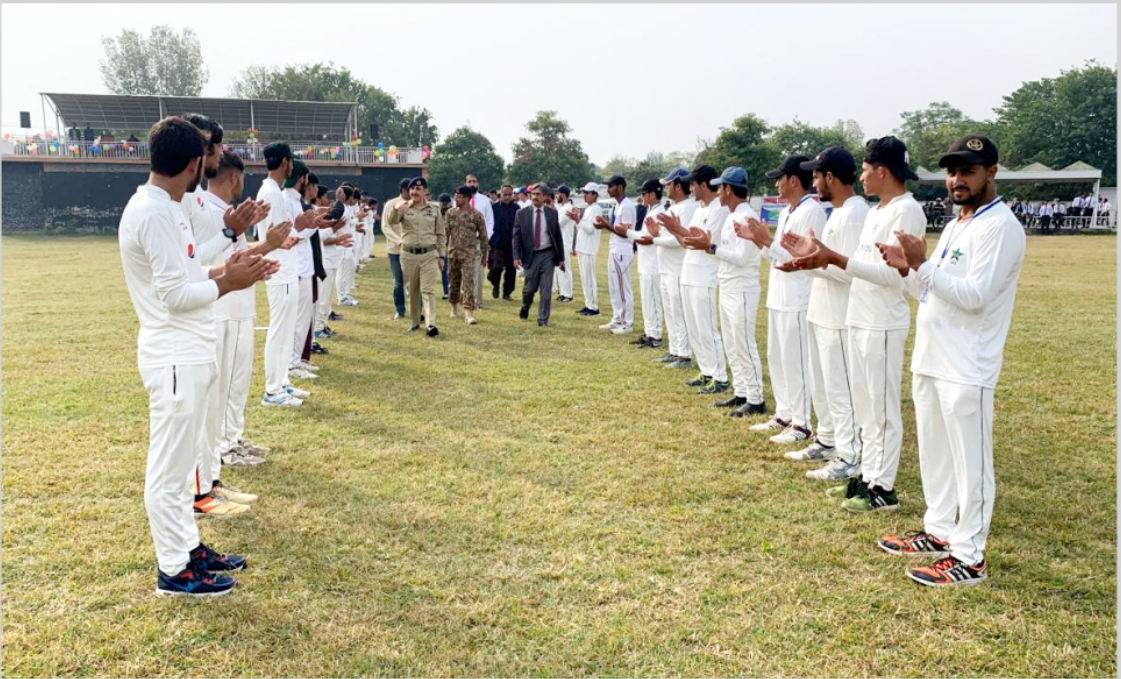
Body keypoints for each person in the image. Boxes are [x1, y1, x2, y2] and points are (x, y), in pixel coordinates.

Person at [118, 116, 269, 597]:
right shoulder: (153, 213)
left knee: (183, 467)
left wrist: (225, 268)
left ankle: (187, 548)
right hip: (173, 354)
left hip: (187, 351)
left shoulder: (165, 208)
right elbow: (174, 296)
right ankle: (173, 569)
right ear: (192, 165)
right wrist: (228, 283)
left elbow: (187, 274)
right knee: (169, 469)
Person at [876, 135, 1025, 587]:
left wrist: (923, 266)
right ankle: (938, 530)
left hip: (967, 364)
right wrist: (907, 269)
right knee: (936, 453)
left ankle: (970, 556)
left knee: (971, 463)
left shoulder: (1000, 226)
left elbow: (976, 297)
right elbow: (929, 291)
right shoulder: (959, 223)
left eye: (968, 171)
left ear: (991, 172)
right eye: (952, 171)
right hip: (933, 356)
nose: (957, 180)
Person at [781, 136, 926, 514]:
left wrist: (833, 259)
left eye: (865, 170)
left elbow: (894, 276)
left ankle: (883, 489)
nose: (861, 177)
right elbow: (860, 266)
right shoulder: (878, 211)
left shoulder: (906, 211)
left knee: (882, 410)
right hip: (860, 316)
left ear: (882, 171)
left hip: (883, 320)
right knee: (866, 408)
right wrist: (819, 258)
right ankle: (868, 477)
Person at [778, 148, 867, 482]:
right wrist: (807, 260)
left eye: (816, 176)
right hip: (822, 310)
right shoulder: (840, 212)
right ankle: (828, 440)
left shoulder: (854, 214)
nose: (813, 182)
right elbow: (829, 263)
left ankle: (849, 455)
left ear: (830, 177)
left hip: (839, 315)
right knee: (825, 385)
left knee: (841, 389)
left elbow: (851, 272)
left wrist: (813, 261)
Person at [739, 156, 825, 444]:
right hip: (779, 294)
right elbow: (776, 256)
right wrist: (757, 239)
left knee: (796, 360)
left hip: (798, 296)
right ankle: (784, 414)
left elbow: (803, 258)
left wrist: (767, 240)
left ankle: (802, 423)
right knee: (777, 357)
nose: (776, 184)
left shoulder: (812, 211)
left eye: (780, 178)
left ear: (793, 180)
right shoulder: (788, 211)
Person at [683, 167, 766, 414]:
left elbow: (742, 258)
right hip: (728, 284)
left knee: (744, 344)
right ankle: (741, 392)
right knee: (731, 344)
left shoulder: (746, 217)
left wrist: (711, 248)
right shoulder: (732, 216)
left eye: (719, 187)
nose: (717, 191)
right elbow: (724, 253)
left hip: (742, 288)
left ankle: (756, 398)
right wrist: (709, 246)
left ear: (728, 189)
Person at [655, 165, 730, 394]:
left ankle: (720, 377)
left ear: (703, 185)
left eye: (693, 184)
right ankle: (707, 370)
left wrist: (678, 228)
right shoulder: (700, 209)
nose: (691, 188)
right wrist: (675, 230)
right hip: (689, 273)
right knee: (696, 328)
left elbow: (703, 243)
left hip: (704, 275)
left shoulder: (719, 210)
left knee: (707, 328)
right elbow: (687, 243)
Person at [257, 142, 313, 407]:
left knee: (286, 328)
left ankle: (281, 382)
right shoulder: (270, 192)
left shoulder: (274, 192)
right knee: (279, 330)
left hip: (286, 268)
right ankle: (272, 390)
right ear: (285, 163)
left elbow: (282, 235)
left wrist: (296, 229)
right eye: (290, 161)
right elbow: (275, 238)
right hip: (279, 270)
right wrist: (297, 229)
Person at [648, 168, 696, 369]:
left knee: (679, 313)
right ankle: (675, 349)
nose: (665, 188)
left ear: (678, 185)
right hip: (666, 268)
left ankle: (684, 355)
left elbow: (680, 240)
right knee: (670, 312)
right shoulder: (672, 208)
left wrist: (654, 239)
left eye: (668, 184)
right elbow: (664, 235)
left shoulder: (687, 208)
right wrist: (655, 235)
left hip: (677, 268)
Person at [386, 177, 446, 336]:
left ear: (425, 191)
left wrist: (441, 256)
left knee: (428, 290)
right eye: (412, 189)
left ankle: (431, 324)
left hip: (429, 255)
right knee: (413, 290)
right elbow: (391, 221)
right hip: (408, 255)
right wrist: (396, 210)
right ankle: (415, 322)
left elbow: (441, 234)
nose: (414, 192)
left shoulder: (434, 209)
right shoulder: (404, 207)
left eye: (418, 189)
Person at [511, 183, 566, 326]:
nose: (535, 197)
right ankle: (526, 305)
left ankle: (543, 320)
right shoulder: (521, 214)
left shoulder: (552, 213)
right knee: (529, 289)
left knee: (546, 290)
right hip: (531, 255)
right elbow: (516, 237)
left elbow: (557, 236)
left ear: (545, 196)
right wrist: (516, 256)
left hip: (548, 254)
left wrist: (561, 258)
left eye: (538, 194)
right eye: (533, 194)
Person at [596, 175, 637, 334]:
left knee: (623, 288)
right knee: (614, 287)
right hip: (615, 248)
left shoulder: (626, 206)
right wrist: (604, 225)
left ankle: (627, 323)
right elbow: (616, 229)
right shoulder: (618, 205)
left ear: (620, 187)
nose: (608, 189)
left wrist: (607, 225)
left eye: (611, 186)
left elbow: (626, 233)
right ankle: (617, 319)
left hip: (622, 250)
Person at [627, 179, 665, 348]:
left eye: (644, 193)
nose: (642, 197)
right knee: (647, 300)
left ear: (652, 194)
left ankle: (655, 335)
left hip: (653, 263)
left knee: (653, 301)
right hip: (646, 262)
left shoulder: (657, 213)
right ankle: (649, 331)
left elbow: (646, 238)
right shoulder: (651, 211)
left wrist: (627, 232)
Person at [445, 186, 488, 325]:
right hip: (453, 254)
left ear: (467, 198)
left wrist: (485, 254)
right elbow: (445, 234)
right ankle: (454, 307)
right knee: (454, 282)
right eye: (455, 196)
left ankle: (469, 313)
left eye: (459, 197)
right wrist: (441, 252)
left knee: (469, 283)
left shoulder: (476, 215)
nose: (456, 199)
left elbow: (483, 236)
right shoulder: (450, 213)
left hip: (470, 254)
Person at [572, 182, 604, 317]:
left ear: (594, 195)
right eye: (584, 192)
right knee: (585, 279)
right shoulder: (589, 208)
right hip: (583, 247)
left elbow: (591, 229)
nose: (584, 195)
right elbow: (582, 227)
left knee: (589, 279)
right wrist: (577, 220)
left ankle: (593, 307)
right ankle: (588, 304)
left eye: (587, 193)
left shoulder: (596, 209)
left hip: (589, 248)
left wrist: (578, 220)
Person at [382, 179, 411, 319]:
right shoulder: (391, 204)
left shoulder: (416, 204)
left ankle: (418, 311)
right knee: (398, 281)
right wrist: (398, 241)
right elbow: (385, 226)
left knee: (415, 282)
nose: (412, 193)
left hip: (412, 250)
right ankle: (400, 310)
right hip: (395, 250)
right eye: (409, 190)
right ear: (403, 190)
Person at [466, 173, 494, 309]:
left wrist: (485, 239)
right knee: (464, 272)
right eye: (469, 181)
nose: (472, 184)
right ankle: (466, 299)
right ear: (465, 183)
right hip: (463, 241)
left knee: (478, 272)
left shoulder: (485, 201)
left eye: (474, 181)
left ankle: (477, 302)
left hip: (479, 241)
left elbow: (490, 221)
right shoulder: (459, 199)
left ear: (478, 184)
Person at [489, 184, 519, 301]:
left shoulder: (516, 208)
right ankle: (495, 284)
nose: (507, 197)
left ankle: (507, 293)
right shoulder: (493, 208)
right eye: (504, 194)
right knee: (496, 268)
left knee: (511, 270)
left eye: (509, 195)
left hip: (512, 243)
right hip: (497, 243)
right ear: (500, 194)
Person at [553, 185, 577, 304]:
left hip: (565, 243)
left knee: (566, 269)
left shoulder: (569, 208)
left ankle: (569, 294)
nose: (556, 196)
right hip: (559, 243)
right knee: (559, 269)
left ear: (562, 194)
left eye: (558, 194)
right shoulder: (561, 208)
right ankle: (563, 292)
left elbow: (559, 224)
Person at [437, 193, 453, 299]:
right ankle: (446, 291)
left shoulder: (453, 213)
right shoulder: (437, 214)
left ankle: (451, 290)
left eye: (446, 203)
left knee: (452, 269)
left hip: (452, 244)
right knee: (444, 269)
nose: (444, 205)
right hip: (441, 245)